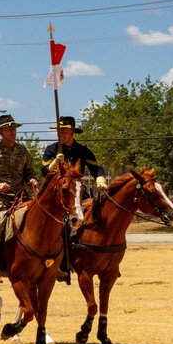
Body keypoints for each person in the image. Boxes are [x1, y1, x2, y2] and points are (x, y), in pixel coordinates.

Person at [42, 116, 108, 283]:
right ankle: (59, 264)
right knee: (57, 227)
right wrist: (53, 164)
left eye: (64, 131)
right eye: (59, 131)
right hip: (57, 196)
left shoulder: (83, 150)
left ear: (72, 132)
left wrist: (100, 179)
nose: (61, 134)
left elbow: (96, 168)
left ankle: (108, 261)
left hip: (78, 195)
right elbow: (44, 171)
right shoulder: (52, 149)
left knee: (101, 219)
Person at [0, 114, 38, 246]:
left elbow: (29, 172)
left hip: (21, 197)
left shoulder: (24, 151)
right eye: (9, 129)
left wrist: (32, 180)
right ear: (1, 132)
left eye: (15, 129)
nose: (13, 132)